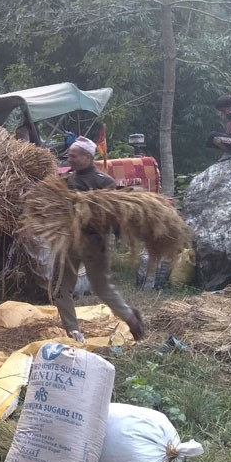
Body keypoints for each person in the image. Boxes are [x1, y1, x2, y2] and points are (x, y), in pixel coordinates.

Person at [51, 137, 145, 343]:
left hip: (94, 242)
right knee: (59, 288)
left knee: (101, 287)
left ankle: (132, 319)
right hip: (68, 240)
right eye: (69, 155)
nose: (69, 158)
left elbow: (112, 214)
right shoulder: (65, 182)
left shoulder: (104, 183)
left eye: (73, 156)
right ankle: (73, 333)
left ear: (87, 157)